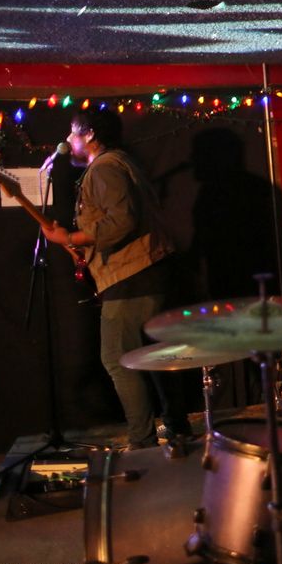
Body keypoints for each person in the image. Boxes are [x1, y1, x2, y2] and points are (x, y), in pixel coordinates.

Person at [42, 108, 191, 449]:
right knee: (155, 356)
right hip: (147, 274)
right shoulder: (121, 163)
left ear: (90, 135)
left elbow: (122, 221)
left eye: (73, 132)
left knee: (116, 358)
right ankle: (177, 428)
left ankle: (142, 441)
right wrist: (81, 247)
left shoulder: (105, 168)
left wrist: (70, 237)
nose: (68, 140)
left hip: (132, 278)